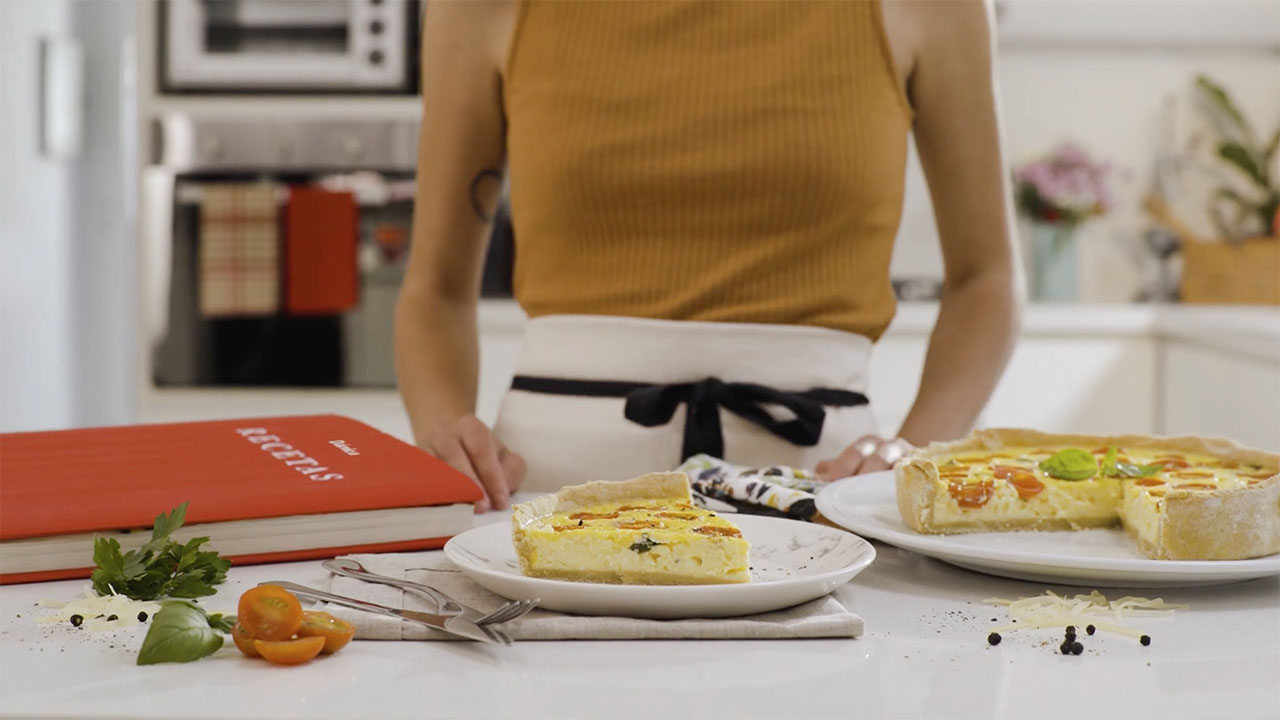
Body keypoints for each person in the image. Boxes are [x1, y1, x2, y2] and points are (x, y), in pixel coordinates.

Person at [395, 0, 1021, 512]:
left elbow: (986, 278)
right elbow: (435, 290)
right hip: (544, 497)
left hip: (822, 501)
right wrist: (444, 431)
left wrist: (911, 451)